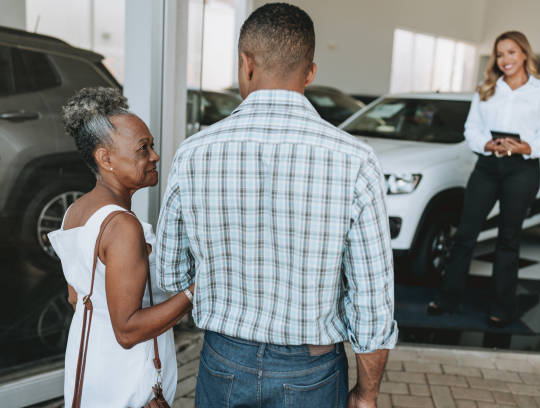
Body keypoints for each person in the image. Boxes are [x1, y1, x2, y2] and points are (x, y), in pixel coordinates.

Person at [156, 3, 397, 407]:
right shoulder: (354, 159)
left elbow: (169, 271)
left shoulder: (195, 153)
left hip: (223, 360)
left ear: (245, 64)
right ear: (310, 73)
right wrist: (366, 393)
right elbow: (372, 297)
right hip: (312, 368)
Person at [48, 87, 194, 407]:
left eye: (152, 145)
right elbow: (128, 331)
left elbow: (77, 296)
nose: (155, 155)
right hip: (130, 381)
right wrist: (196, 291)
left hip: (92, 365)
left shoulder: (77, 211)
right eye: (143, 148)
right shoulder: (122, 227)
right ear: (106, 158)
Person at [428, 31, 540, 327]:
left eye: (511, 52)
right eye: (500, 54)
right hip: (488, 165)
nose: (505, 60)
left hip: (522, 168)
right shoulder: (486, 89)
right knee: (465, 234)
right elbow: (471, 129)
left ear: (524, 54)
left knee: (508, 239)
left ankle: (502, 307)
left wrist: (525, 147)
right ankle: (447, 298)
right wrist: (488, 144)